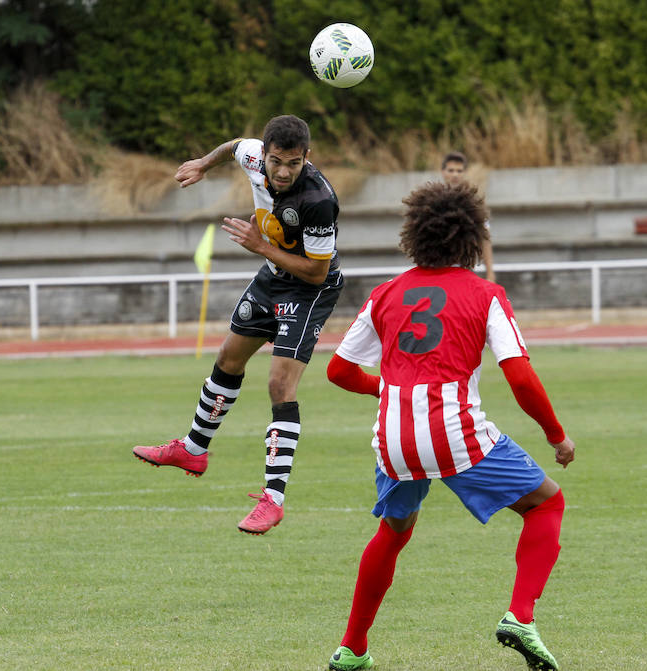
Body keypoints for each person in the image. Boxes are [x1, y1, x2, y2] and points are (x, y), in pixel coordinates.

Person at [324, 181, 575, 671]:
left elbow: (338, 371)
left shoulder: (385, 294)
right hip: (454, 433)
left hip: (393, 440)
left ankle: (352, 648)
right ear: (471, 238)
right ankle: (520, 617)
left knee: (393, 533)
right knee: (547, 503)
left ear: (414, 234)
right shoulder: (486, 294)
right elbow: (520, 376)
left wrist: (390, 389)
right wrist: (556, 435)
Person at [132, 114, 344, 535]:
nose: (283, 172)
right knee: (229, 358)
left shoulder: (319, 199)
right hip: (272, 275)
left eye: (295, 163)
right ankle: (193, 449)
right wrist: (202, 164)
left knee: (279, 385)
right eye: (277, 161)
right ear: (263, 154)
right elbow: (232, 145)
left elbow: (317, 273)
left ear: (308, 158)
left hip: (309, 289)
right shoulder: (251, 156)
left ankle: (273, 499)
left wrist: (260, 246)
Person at [440, 151, 496, 282]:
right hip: (437, 269)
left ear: (464, 173)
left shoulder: (473, 203)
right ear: (443, 171)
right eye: (451, 170)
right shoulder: (431, 202)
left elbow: (485, 238)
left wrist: (490, 273)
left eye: (459, 171)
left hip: (464, 270)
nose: (455, 174)